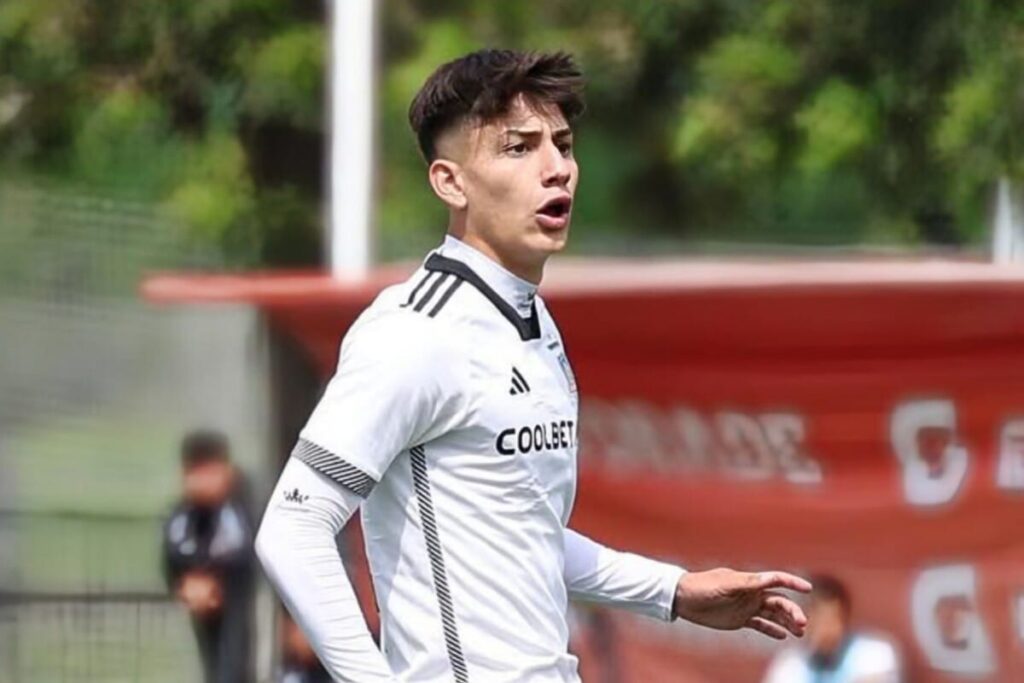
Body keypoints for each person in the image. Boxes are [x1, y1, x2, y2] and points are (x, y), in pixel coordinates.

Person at [255, 48, 811, 682]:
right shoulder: (415, 332)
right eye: (518, 149)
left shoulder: (534, 324)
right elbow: (293, 527)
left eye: (563, 144)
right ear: (450, 182)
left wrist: (675, 591)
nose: (557, 170)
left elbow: (523, 531)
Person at [163, 430, 256, 683]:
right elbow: (173, 551)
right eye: (196, 472)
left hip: (239, 603)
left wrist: (212, 578)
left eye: (210, 471)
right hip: (203, 607)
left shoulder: (241, 506)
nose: (203, 481)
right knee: (213, 662)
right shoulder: (183, 513)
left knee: (234, 660)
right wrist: (189, 581)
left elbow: (240, 549)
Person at [762, 575, 902, 683]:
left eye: (833, 620)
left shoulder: (874, 654)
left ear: (846, 620)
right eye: (820, 621)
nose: (827, 630)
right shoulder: (789, 665)